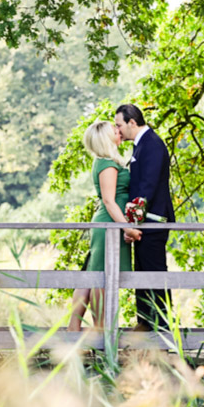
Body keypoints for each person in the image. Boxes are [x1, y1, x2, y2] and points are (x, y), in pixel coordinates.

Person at [68, 120, 142, 331]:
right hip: (110, 225)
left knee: (91, 275)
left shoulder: (108, 161)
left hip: (110, 223)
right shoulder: (107, 164)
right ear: (105, 139)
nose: (119, 132)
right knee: (100, 278)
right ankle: (100, 333)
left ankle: (73, 331)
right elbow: (109, 201)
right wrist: (127, 227)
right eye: (114, 130)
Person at [114, 103, 175, 331]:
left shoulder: (151, 144)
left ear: (132, 122)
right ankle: (146, 327)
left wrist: (132, 224)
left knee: (154, 274)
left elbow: (146, 189)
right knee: (142, 274)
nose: (118, 131)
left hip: (152, 222)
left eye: (120, 125)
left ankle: (160, 331)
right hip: (144, 223)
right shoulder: (142, 146)